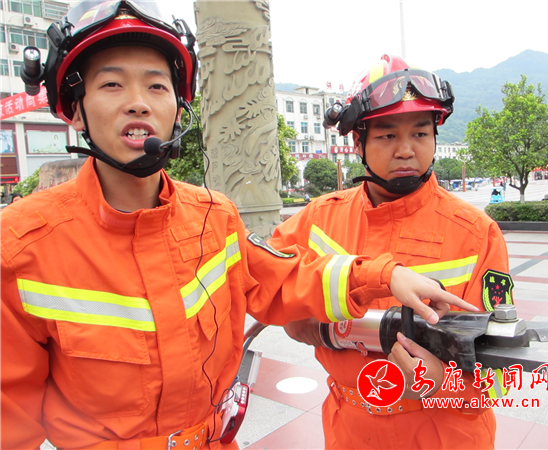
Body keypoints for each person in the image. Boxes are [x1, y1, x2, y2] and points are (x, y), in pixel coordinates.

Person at [0, 5, 474, 449]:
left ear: (178, 106)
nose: (138, 103)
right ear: (74, 107)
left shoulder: (214, 218)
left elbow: (283, 278)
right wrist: (336, 327)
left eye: (157, 86)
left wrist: (387, 281)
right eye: (111, 84)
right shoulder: (22, 247)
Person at [271, 55, 514, 449]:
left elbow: (501, 371)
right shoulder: (317, 220)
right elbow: (265, 286)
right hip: (348, 431)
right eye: (387, 136)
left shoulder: (476, 233)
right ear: (358, 142)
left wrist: (442, 382)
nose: (405, 150)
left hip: (444, 435)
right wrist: (303, 320)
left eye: (420, 133)